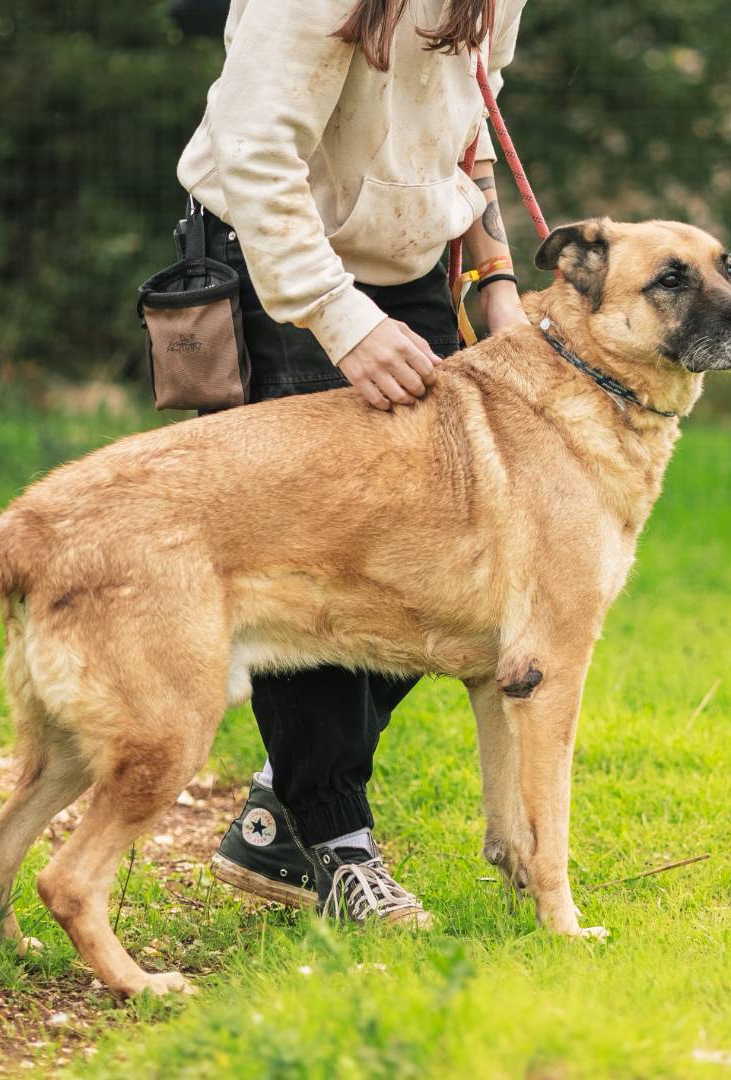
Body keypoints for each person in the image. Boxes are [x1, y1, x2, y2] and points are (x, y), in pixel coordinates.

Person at [176, 0, 528, 926]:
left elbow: (467, 124)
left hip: (408, 268)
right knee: (316, 561)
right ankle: (330, 842)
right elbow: (253, 152)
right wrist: (336, 318)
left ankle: (279, 809)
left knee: (439, 557)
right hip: (282, 264)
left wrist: (493, 279)